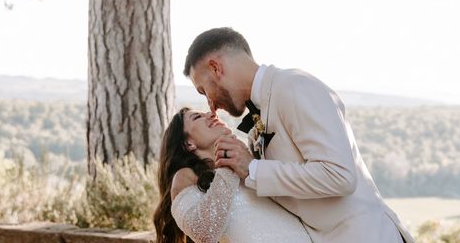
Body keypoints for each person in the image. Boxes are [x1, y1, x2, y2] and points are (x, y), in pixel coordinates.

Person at [183, 27, 416, 243]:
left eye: (204, 90)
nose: (210, 105)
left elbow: (340, 175)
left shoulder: (294, 86)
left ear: (216, 68)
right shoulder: (261, 111)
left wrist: (252, 168)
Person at [153, 107, 312, 243]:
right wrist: (228, 163)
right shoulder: (185, 176)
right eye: (197, 117)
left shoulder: (250, 164)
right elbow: (204, 232)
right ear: (188, 144)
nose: (211, 115)